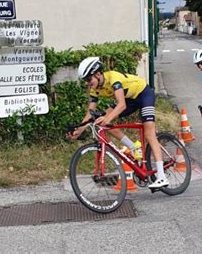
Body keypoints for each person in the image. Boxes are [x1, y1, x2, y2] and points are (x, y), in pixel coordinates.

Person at [67, 57, 169, 189]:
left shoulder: (114, 79)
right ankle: (133, 147)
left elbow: (121, 105)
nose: (88, 83)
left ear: (98, 74)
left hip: (143, 95)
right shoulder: (95, 88)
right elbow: (90, 113)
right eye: (85, 81)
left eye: (88, 79)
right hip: (128, 100)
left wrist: (107, 118)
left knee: (149, 134)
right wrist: (79, 129)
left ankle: (162, 177)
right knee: (102, 123)